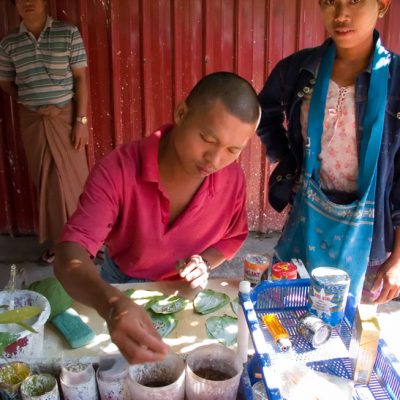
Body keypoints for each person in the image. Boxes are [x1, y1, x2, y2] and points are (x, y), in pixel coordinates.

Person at [54, 71, 260, 364]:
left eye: (232, 150)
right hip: (122, 282)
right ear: (181, 112)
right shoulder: (119, 170)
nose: (214, 160)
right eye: (207, 138)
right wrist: (111, 303)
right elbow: (69, 255)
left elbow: (234, 235)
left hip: (184, 289)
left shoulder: (231, 179)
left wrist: (204, 262)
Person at [257, 0, 400, 306]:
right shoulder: (298, 70)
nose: (341, 15)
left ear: (383, 4)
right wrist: (289, 161)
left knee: (347, 331)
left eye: (355, 1)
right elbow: (263, 116)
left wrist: (398, 260)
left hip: (370, 240)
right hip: (308, 219)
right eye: (329, 2)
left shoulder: (396, 82)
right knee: (291, 310)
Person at [0, 0, 89, 264]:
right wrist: (28, 101)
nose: (28, 2)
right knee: (48, 183)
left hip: (66, 119)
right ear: (15, 6)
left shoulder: (68, 33)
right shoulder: (9, 44)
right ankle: (60, 245)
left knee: (74, 182)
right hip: (33, 122)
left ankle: (85, 241)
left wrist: (81, 121)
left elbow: (81, 78)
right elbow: (5, 82)